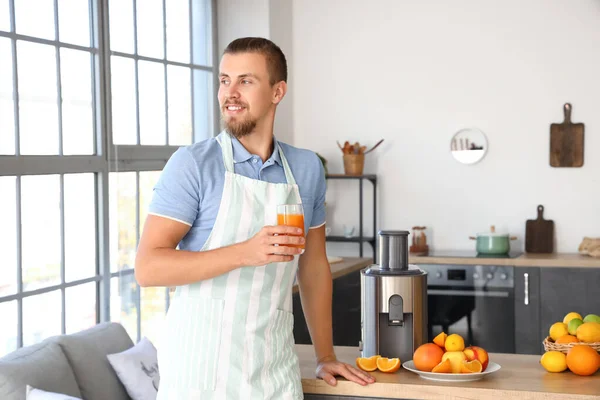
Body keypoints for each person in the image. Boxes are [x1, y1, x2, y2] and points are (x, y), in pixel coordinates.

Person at [135, 37, 374, 399]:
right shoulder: (194, 164)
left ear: (278, 92)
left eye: (245, 81)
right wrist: (245, 252)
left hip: (272, 372)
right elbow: (148, 267)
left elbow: (313, 266)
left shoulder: (306, 169)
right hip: (199, 375)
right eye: (224, 80)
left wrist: (325, 355)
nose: (230, 92)